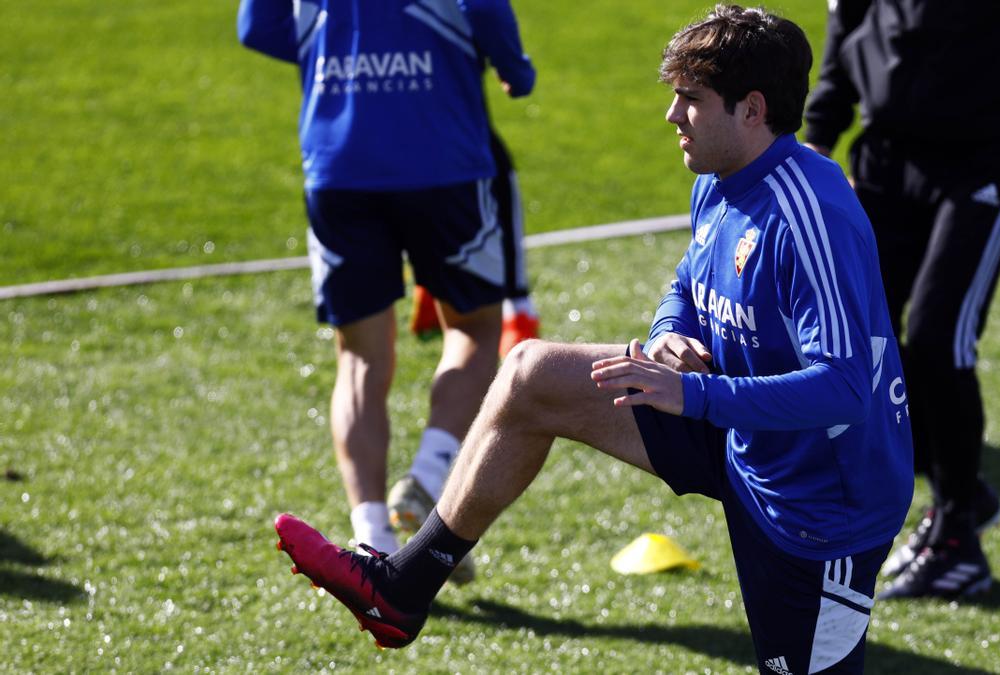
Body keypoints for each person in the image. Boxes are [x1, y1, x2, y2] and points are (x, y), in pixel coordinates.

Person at [274, 5, 913, 671]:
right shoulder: (719, 183)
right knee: (530, 374)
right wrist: (670, 335)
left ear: (751, 110)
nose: (671, 116)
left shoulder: (811, 216)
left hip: (822, 504)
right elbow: (688, 285)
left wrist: (693, 395)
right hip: (737, 429)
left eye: (690, 100)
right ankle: (403, 586)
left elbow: (844, 389)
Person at [802, 0, 1000, 599]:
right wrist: (820, 134)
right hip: (885, 155)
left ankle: (956, 539)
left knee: (941, 340)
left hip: (984, 159)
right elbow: (849, 21)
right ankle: (956, 491)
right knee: (861, 337)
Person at [238, 0, 537, 583]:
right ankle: (429, 477)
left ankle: (371, 538)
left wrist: (342, 60)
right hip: (443, 157)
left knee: (358, 357)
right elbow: (484, 10)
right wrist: (512, 68)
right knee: (474, 329)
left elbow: (257, 26)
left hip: (339, 163)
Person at [408, 128, 541, 361]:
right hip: (459, 143)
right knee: (473, 333)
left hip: (353, 158)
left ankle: (430, 291)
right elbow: (519, 89)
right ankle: (517, 313)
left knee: (359, 356)